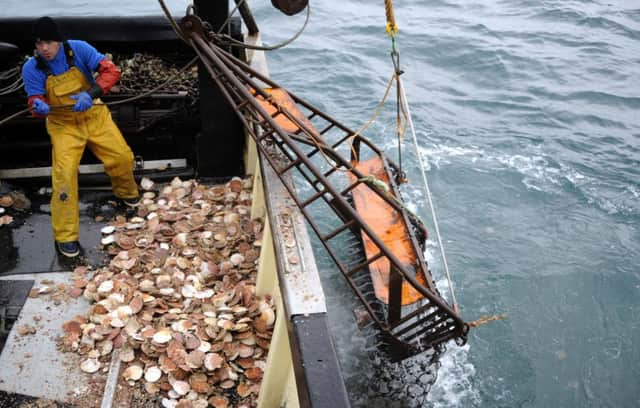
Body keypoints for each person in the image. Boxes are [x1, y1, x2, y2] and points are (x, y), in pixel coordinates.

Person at [22, 16, 140, 258]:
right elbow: (34, 100)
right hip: (62, 125)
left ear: (59, 40)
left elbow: (111, 71)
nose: (44, 49)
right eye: (39, 44)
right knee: (64, 177)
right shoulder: (32, 68)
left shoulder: (80, 49)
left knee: (121, 157)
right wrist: (38, 106)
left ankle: (127, 194)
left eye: (48, 42)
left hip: (94, 113)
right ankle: (66, 236)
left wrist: (92, 92)